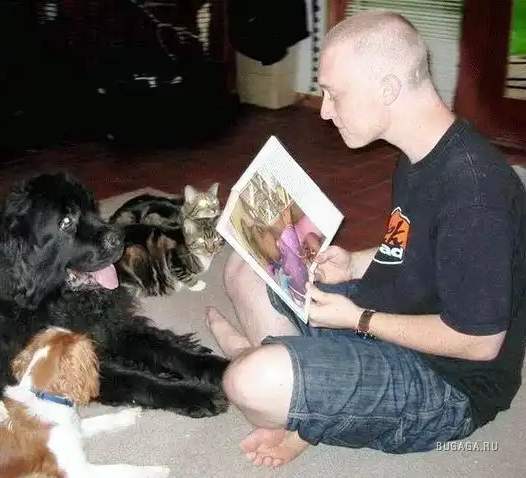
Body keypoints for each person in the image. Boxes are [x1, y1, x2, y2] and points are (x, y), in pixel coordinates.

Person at [205, 10, 526, 468]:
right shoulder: (420, 153)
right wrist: (352, 262)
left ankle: (277, 382)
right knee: (245, 266)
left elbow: (480, 342)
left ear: (388, 89)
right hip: (392, 313)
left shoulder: (475, 193)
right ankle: (307, 395)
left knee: (247, 382)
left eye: (334, 94)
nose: (324, 110)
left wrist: (359, 320)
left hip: (449, 382)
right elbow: (418, 246)